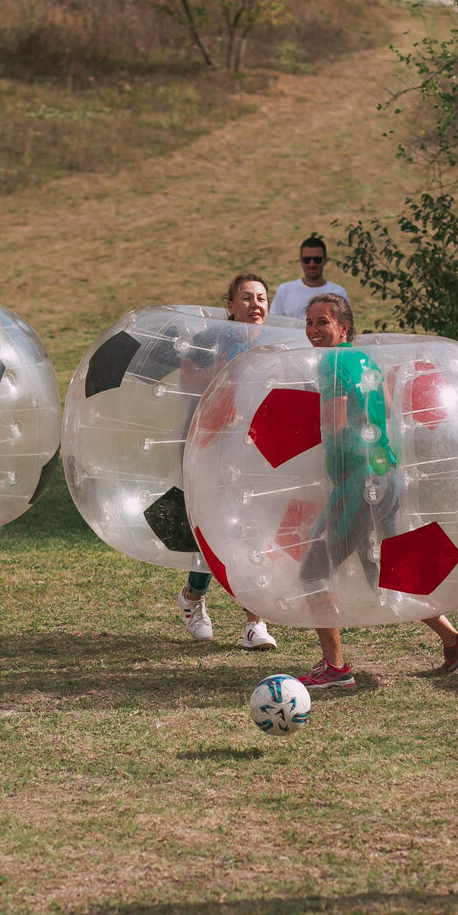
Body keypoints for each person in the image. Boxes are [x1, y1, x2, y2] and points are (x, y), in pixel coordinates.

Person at [292, 293, 458, 689]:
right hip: (383, 471)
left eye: (322, 322)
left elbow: (337, 422)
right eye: (309, 323)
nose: (313, 331)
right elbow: (389, 405)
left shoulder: (332, 363)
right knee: (386, 567)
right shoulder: (365, 360)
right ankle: (454, 639)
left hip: (359, 480)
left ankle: (335, 669)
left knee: (313, 570)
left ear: (344, 328)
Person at [175, 273, 278, 649]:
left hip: (257, 452)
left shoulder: (277, 346)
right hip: (213, 447)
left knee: (255, 528)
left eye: (262, 298)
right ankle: (193, 598)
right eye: (247, 298)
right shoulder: (211, 343)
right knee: (214, 534)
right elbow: (189, 390)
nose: (256, 305)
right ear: (231, 306)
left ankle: (255, 623)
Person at [270, 234, 349, 320]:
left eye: (317, 259)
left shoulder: (338, 293)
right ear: (300, 260)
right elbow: (273, 323)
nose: (312, 264)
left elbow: (346, 327)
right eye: (307, 260)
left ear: (325, 260)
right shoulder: (284, 290)